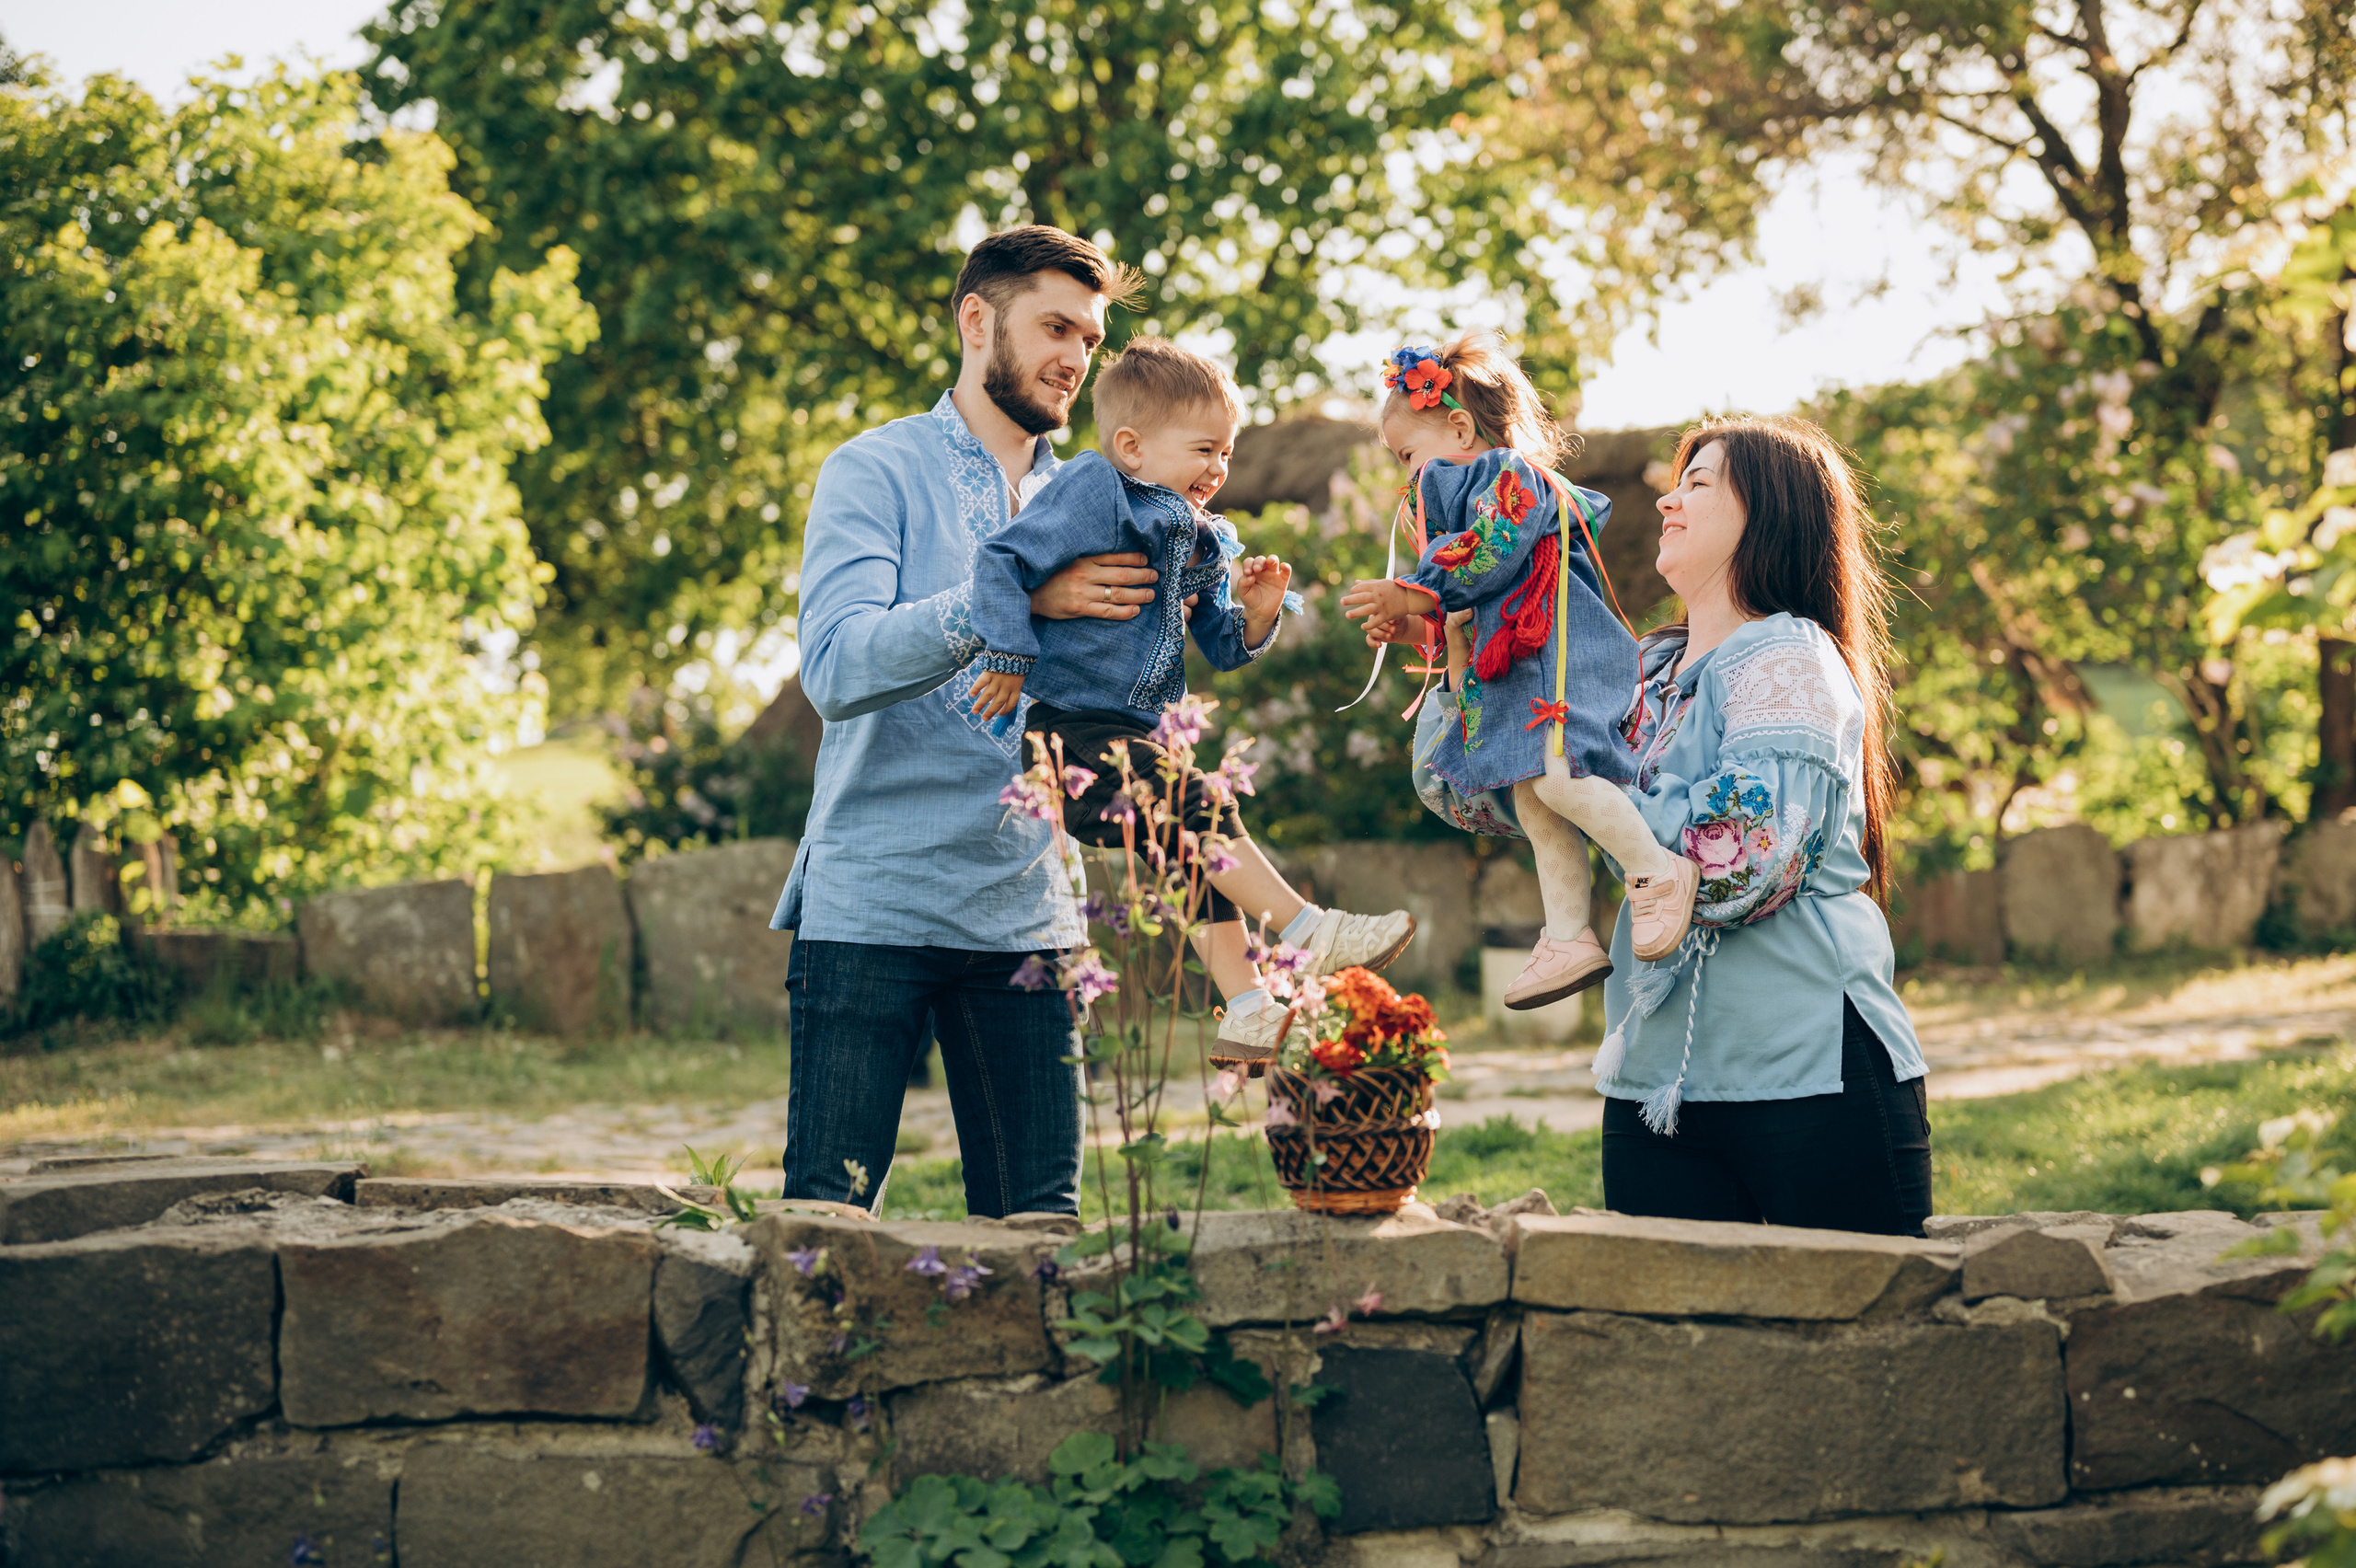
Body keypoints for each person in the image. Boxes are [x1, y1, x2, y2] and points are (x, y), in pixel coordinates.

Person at [773, 225, 1167, 1218]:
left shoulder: (1099, 497)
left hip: (1027, 917)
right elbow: (836, 667)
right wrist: (1015, 604)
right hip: (872, 905)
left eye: (1088, 339)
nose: (1076, 358)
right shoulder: (874, 469)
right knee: (826, 1231)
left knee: (1042, 1235)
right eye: (1054, 328)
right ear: (977, 319)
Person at [965, 338, 1417, 1072]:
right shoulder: (1097, 490)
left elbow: (1223, 646)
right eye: (1204, 449)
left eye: (1228, 453)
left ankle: (1247, 1011)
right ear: (1131, 446)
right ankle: (1305, 929)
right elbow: (1002, 561)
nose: (1219, 469)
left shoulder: (1203, 537)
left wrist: (1259, 613)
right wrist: (1011, 658)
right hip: (1074, 736)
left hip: (1138, 739)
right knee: (1199, 805)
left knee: (1194, 860)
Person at [1590, 416, 1932, 1237]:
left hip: (1812, 1079)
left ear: (1769, 513)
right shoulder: (1645, 672)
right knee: (1671, 1351)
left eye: (1699, 483)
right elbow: (1492, 797)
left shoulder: (1788, 656)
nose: (1669, 500)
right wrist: (1462, 658)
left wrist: (1596, 799)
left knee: (1859, 1354)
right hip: (1654, 1087)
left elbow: (1741, 860)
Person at [1339, 334, 1699, 1009]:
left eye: (1409, 455)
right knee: (1538, 802)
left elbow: (1492, 553)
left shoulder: (1512, 475)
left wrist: (1417, 590)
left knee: (1561, 780)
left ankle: (1658, 870)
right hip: (1523, 670)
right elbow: (1469, 615)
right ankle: (1568, 935)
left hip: (1562, 661)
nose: (1407, 475)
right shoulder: (1468, 494)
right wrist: (1416, 623)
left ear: (1459, 427)